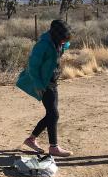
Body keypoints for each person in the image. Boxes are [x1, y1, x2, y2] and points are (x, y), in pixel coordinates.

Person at [16, 19, 73, 157]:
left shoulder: (58, 42)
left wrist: (65, 42)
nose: (64, 41)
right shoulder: (42, 45)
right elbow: (32, 67)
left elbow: (65, 45)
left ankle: (31, 139)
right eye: (63, 38)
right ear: (56, 35)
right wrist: (38, 85)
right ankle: (53, 147)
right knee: (54, 114)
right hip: (44, 83)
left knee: (51, 114)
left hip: (52, 81)